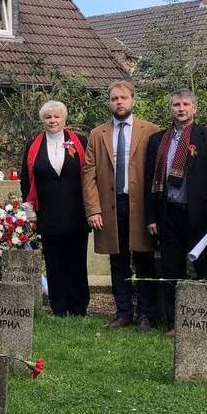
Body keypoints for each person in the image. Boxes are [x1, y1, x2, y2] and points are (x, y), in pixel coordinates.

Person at [143, 89, 207, 333]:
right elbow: (149, 180)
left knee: (205, 267)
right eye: (176, 105)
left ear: (195, 108)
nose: (181, 109)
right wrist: (151, 217)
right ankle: (174, 322)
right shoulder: (158, 140)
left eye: (186, 104)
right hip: (168, 213)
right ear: (170, 108)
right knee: (171, 269)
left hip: (199, 214)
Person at [82, 81, 160, 331]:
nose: (119, 102)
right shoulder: (98, 134)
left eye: (123, 98)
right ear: (109, 102)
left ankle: (146, 314)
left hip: (141, 206)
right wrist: (93, 209)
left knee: (145, 259)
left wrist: (156, 211)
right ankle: (123, 312)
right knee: (118, 260)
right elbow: (88, 174)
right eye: (114, 98)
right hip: (111, 206)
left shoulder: (151, 131)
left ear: (133, 100)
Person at [20, 100, 89, 316]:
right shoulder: (33, 146)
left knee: (77, 261)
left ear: (64, 119)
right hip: (47, 214)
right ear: (42, 120)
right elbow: (25, 182)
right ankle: (58, 307)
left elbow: (90, 176)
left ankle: (79, 307)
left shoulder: (81, 142)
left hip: (76, 213)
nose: (52, 120)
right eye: (48, 117)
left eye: (56, 116)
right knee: (54, 262)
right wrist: (30, 214)